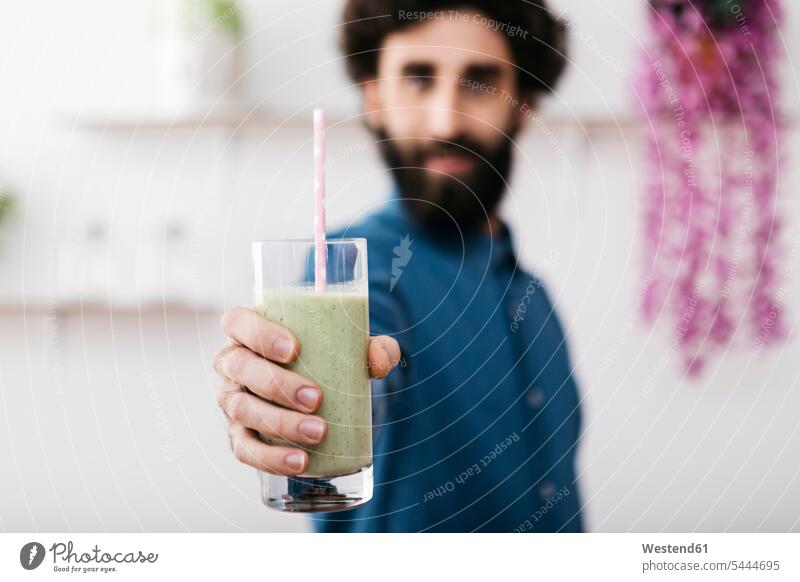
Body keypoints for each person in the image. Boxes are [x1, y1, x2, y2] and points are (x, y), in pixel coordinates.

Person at [212, 0, 584, 532]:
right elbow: (364, 366)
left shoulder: (537, 298)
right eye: (417, 80)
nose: (445, 120)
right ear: (374, 98)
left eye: (479, 82)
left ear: (522, 103)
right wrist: (284, 396)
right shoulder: (345, 274)